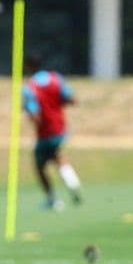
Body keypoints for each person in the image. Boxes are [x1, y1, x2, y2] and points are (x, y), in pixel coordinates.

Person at [22, 53, 83, 210]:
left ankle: (52, 199)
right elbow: (71, 100)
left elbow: (35, 115)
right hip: (60, 128)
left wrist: (30, 116)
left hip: (45, 132)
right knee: (57, 157)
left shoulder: (30, 88)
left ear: (28, 66)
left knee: (40, 166)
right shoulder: (56, 78)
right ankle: (72, 182)